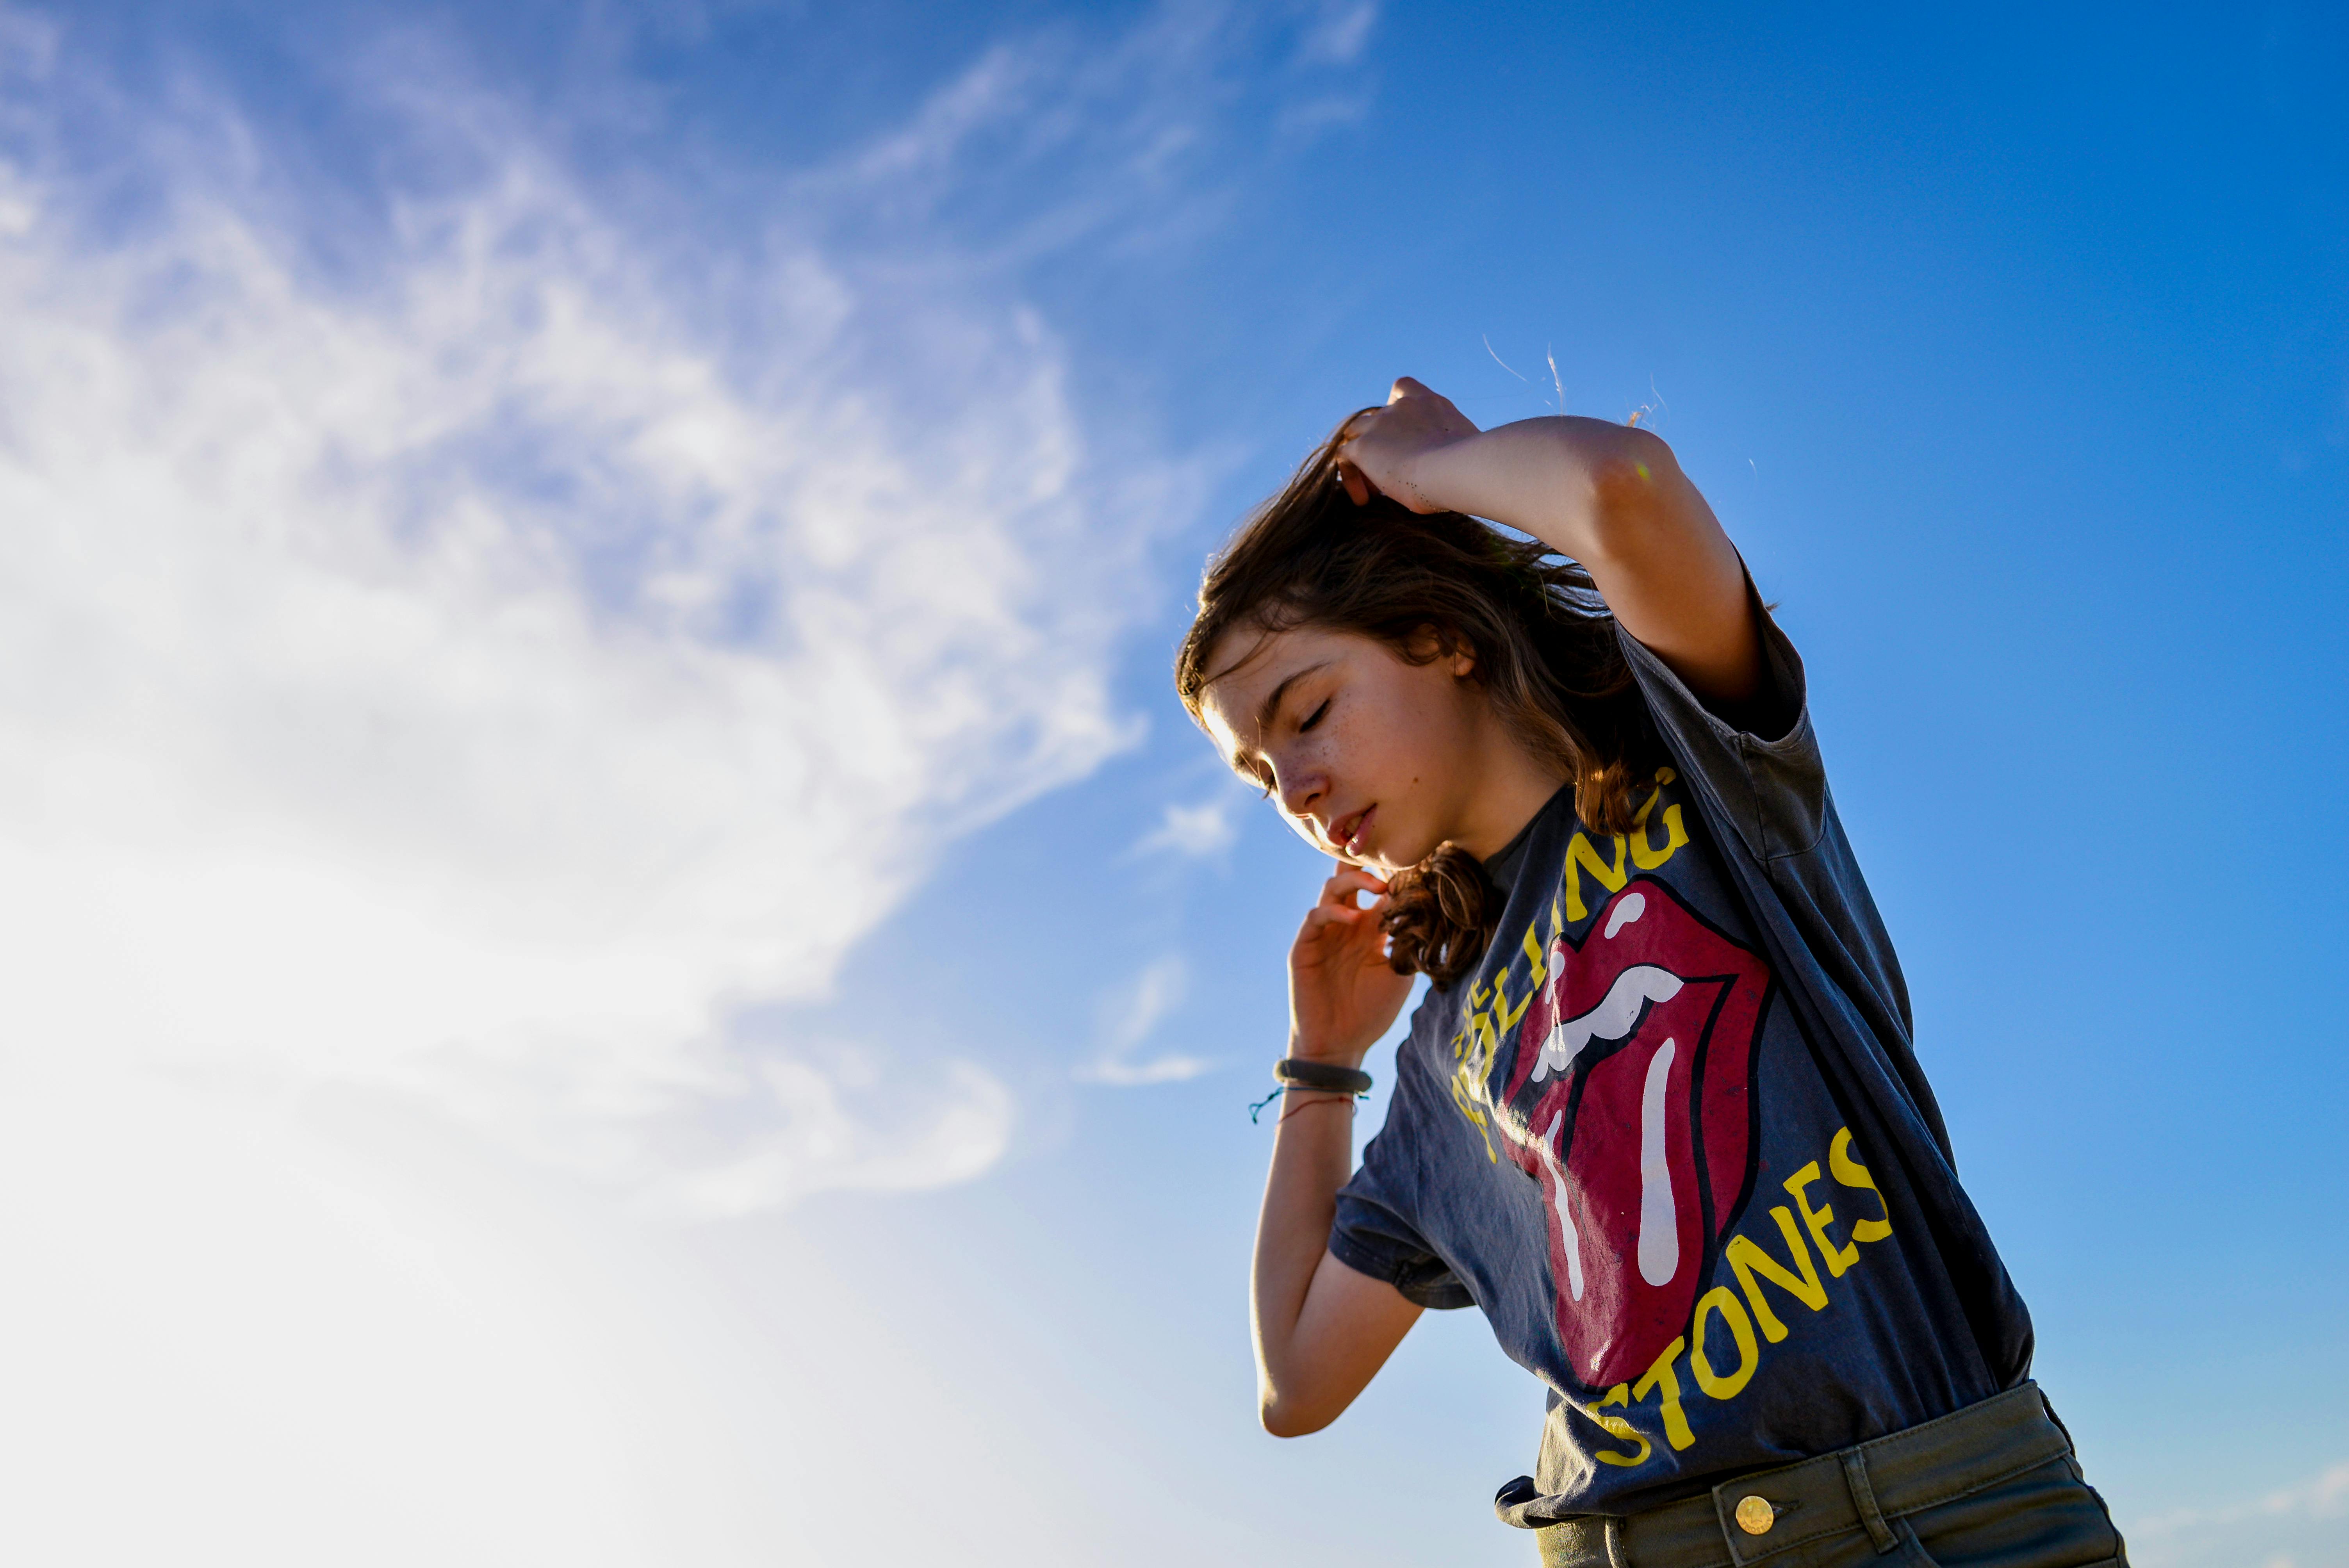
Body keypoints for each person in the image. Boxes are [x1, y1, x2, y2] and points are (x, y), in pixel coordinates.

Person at [1174, 379, 2128, 1567]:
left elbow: (1624, 492)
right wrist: (1323, 1059)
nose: (1299, 792)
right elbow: (1298, 1382)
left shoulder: (1697, 764)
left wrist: (1436, 470)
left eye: (1307, 711)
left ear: (1442, 637)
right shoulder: (1438, 1056)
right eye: (1264, 780)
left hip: (1930, 1517)